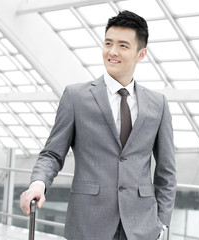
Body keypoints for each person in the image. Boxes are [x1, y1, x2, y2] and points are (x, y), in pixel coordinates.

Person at [20, 10, 176, 240]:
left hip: (142, 228)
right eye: (108, 43)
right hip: (88, 224)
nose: (112, 51)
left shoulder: (158, 104)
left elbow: (166, 171)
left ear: (141, 54)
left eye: (123, 45)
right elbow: (52, 153)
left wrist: (162, 223)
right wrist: (38, 184)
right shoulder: (75, 96)